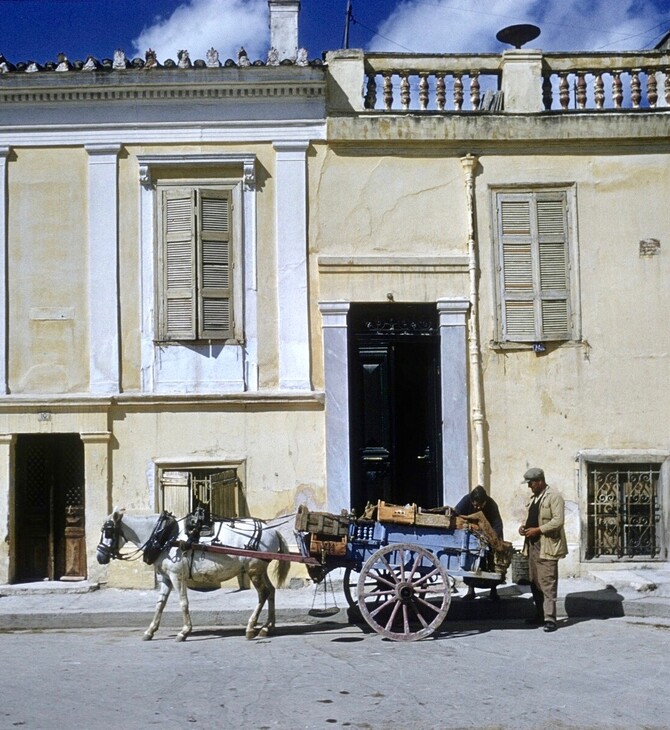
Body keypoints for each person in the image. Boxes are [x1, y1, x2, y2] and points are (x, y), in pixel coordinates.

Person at [518, 467, 568, 633]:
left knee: (547, 582)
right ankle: (539, 614)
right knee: (535, 582)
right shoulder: (535, 498)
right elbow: (533, 519)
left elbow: (557, 521)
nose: (529, 487)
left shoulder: (554, 497)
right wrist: (524, 529)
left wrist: (537, 530)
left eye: (531, 483)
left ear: (539, 481)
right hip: (533, 545)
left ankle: (550, 619)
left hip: (547, 545)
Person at [455, 485, 504, 600]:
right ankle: (471, 590)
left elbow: (498, 525)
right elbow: (456, 513)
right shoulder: (466, 500)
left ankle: (493, 590)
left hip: (489, 537)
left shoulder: (492, 505)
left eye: (479, 505)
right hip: (471, 538)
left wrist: (493, 540)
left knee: (492, 565)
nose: (476, 507)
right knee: (470, 563)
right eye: (474, 505)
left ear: (485, 501)